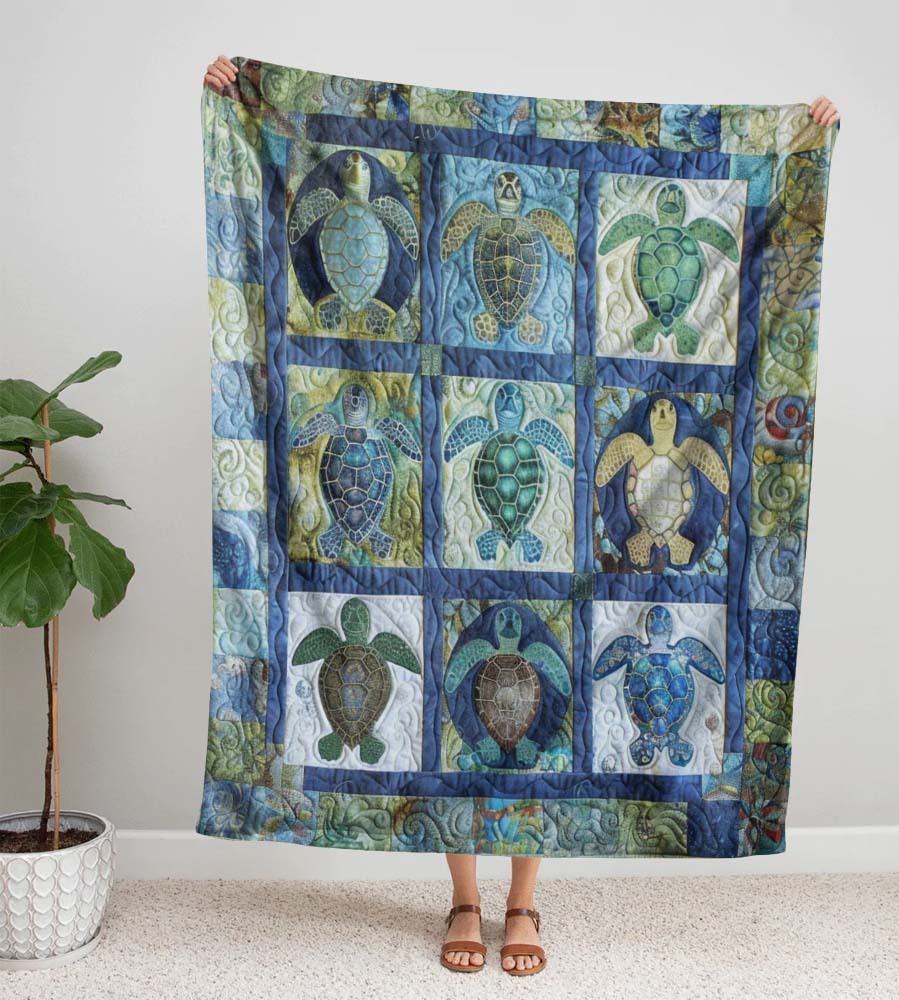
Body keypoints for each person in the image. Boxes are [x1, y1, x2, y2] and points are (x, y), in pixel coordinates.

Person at [203, 55, 838, 976]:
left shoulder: (556, 232)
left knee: (555, 691)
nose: (505, 186)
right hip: (446, 512)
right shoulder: (453, 209)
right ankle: (465, 898)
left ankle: (524, 902)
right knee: (449, 702)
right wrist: (247, 103)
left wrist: (794, 143)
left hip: (559, 511)